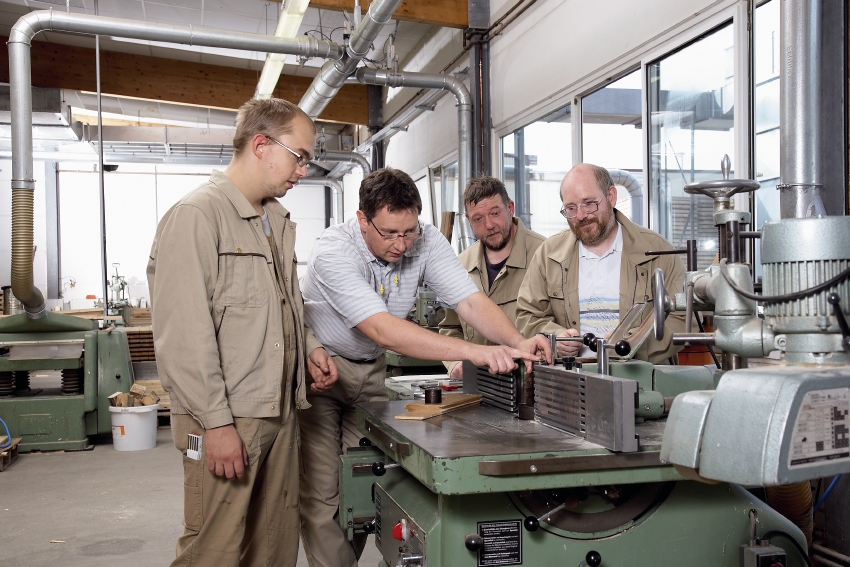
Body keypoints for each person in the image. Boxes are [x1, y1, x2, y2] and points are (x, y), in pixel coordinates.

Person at [298, 168, 552, 567]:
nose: (401, 245)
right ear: (363, 220)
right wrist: (475, 352)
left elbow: (469, 300)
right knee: (325, 494)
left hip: (371, 372)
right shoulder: (334, 250)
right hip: (323, 371)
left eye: (409, 231)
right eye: (389, 233)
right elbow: (383, 330)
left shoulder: (427, 239)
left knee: (368, 481)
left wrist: (516, 342)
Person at [147, 98, 336, 567]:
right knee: (214, 548)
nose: (304, 170)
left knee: (273, 545)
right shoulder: (196, 216)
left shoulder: (275, 220)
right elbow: (184, 335)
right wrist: (216, 423)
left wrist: (308, 348)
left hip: (279, 409)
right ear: (261, 144)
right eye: (300, 156)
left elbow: (282, 302)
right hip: (227, 417)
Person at [516, 163, 686, 363]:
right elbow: (527, 316)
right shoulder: (548, 254)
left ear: (611, 197)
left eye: (589, 203)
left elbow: (682, 319)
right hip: (573, 380)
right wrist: (554, 337)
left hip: (642, 380)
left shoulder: (657, 250)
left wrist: (634, 343)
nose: (580, 216)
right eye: (571, 208)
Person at [439, 176, 546, 379]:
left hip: (530, 384)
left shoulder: (545, 256)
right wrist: (455, 363)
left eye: (495, 213)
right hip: (478, 385)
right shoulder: (460, 265)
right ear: (468, 221)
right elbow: (450, 327)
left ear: (510, 208)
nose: (489, 224)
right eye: (478, 218)